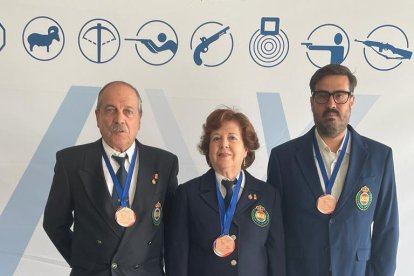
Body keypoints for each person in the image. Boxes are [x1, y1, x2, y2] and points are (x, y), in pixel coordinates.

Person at [267, 64, 399, 276]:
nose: (331, 104)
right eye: (322, 95)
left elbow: (387, 230)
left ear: (352, 101)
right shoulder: (283, 158)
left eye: (340, 95)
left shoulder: (379, 157)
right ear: (312, 102)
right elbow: (275, 232)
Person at [43, 81, 179, 276]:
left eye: (128, 111)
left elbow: (173, 228)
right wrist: (84, 262)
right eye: (110, 110)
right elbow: (54, 223)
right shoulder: (70, 162)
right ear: (97, 117)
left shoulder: (164, 163)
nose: (119, 119)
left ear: (139, 119)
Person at [165, 108, 285, 276]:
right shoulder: (187, 194)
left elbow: (276, 256)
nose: (224, 144)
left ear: (246, 149)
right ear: (208, 149)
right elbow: (177, 257)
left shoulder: (268, 195)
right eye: (216, 138)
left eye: (232, 138)